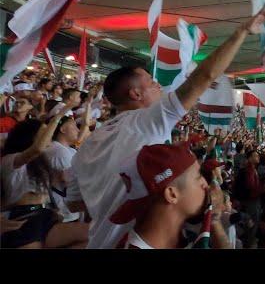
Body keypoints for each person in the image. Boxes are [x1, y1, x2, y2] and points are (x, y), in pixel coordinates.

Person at [66, 7, 265, 248]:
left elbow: (73, 203)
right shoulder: (146, 123)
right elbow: (204, 77)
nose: (157, 85)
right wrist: (242, 31)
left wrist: (111, 198)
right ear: (135, 93)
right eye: (151, 82)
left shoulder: (88, 144)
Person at [1, 104, 89, 248]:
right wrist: (60, 114)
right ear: (31, 138)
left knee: (93, 236)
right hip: (23, 220)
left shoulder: (41, 161)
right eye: (45, 133)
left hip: (44, 215)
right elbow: (37, 148)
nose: (50, 136)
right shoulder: (10, 160)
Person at [110, 143, 230, 249]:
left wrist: (214, 220)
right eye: (198, 178)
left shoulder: (185, 235)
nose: (206, 184)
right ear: (172, 194)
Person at [45, 102, 94, 222]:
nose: (78, 130)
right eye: (74, 127)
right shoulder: (58, 151)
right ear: (62, 129)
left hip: (69, 205)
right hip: (64, 209)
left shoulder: (67, 150)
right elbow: (68, 180)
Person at [233, 149, 262, 248]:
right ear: (249, 158)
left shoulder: (255, 169)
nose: (257, 157)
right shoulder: (245, 171)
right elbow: (240, 187)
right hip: (249, 202)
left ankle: (250, 241)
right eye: (255, 155)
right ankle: (248, 244)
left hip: (254, 201)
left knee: (253, 225)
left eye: (258, 155)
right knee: (250, 225)